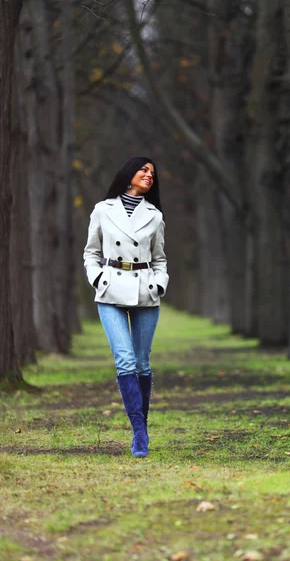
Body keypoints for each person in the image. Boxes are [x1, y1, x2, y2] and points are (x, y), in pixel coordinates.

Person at [83, 157, 169, 458]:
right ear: (128, 174)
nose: (148, 175)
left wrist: (159, 283)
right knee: (125, 361)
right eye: (143, 170)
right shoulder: (102, 210)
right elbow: (91, 252)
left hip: (145, 291)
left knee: (142, 363)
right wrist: (98, 279)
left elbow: (160, 258)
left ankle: (141, 424)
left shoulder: (154, 216)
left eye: (152, 173)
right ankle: (139, 431)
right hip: (110, 292)